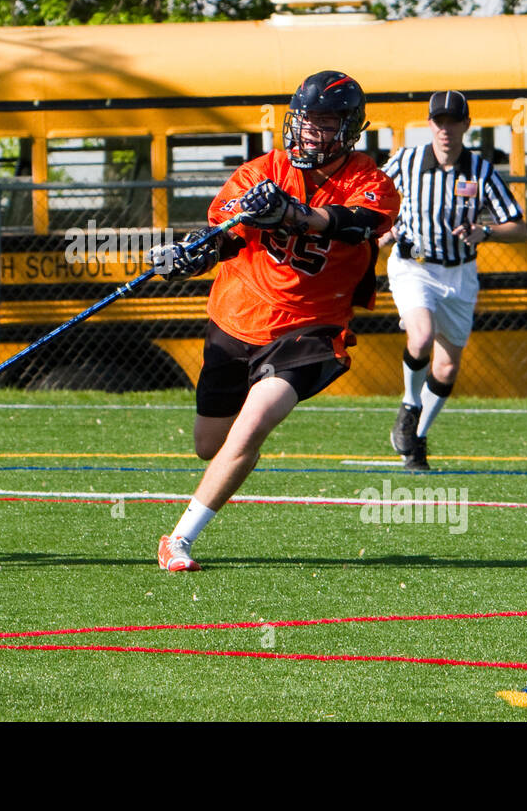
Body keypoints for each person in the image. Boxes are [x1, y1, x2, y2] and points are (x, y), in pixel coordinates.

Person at [149, 71, 399, 572]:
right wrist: (188, 257)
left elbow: (357, 224)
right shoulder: (257, 174)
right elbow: (223, 237)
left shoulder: (369, 179)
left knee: (252, 426)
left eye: (326, 121)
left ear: (348, 127)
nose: (311, 130)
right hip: (237, 318)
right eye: (306, 119)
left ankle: (178, 540)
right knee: (210, 446)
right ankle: (235, 460)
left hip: (311, 327)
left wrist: (294, 214)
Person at [379, 90, 527, 471]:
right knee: (421, 337)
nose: (445, 129)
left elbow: (519, 226)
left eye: (453, 121)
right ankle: (410, 405)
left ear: (466, 124)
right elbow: (372, 196)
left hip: (460, 274)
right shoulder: (407, 160)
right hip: (414, 266)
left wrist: (487, 232)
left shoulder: (480, 170)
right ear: (429, 124)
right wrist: (384, 230)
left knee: (446, 369)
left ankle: (416, 440)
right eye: (438, 121)